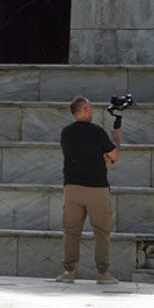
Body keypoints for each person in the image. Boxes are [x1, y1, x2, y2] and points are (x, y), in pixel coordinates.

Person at [56, 96, 121, 284]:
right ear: (83, 110)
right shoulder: (97, 132)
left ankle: (68, 271)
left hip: (72, 188)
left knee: (71, 231)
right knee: (101, 231)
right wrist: (116, 138)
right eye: (90, 107)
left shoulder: (65, 133)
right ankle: (103, 273)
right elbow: (113, 156)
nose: (92, 110)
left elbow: (80, 154)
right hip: (96, 188)